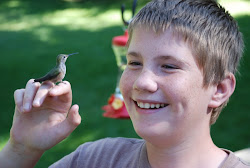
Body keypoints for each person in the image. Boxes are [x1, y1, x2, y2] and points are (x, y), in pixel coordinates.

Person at [0, 0, 249, 167]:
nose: (142, 82)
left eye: (169, 66)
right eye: (134, 63)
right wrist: (21, 150)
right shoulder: (94, 160)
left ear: (219, 89)